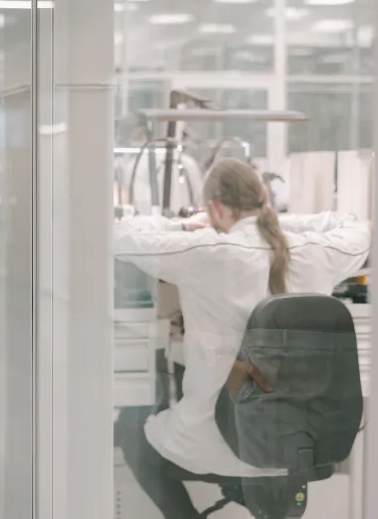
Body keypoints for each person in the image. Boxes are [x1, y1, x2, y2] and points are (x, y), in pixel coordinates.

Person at [112, 158, 370, 519]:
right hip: (298, 444)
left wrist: (185, 223)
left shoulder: (204, 252)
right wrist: (280, 221)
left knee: (129, 427)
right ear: (265, 201)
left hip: (216, 443)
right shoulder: (317, 252)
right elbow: (357, 227)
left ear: (215, 208)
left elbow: (118, 235)